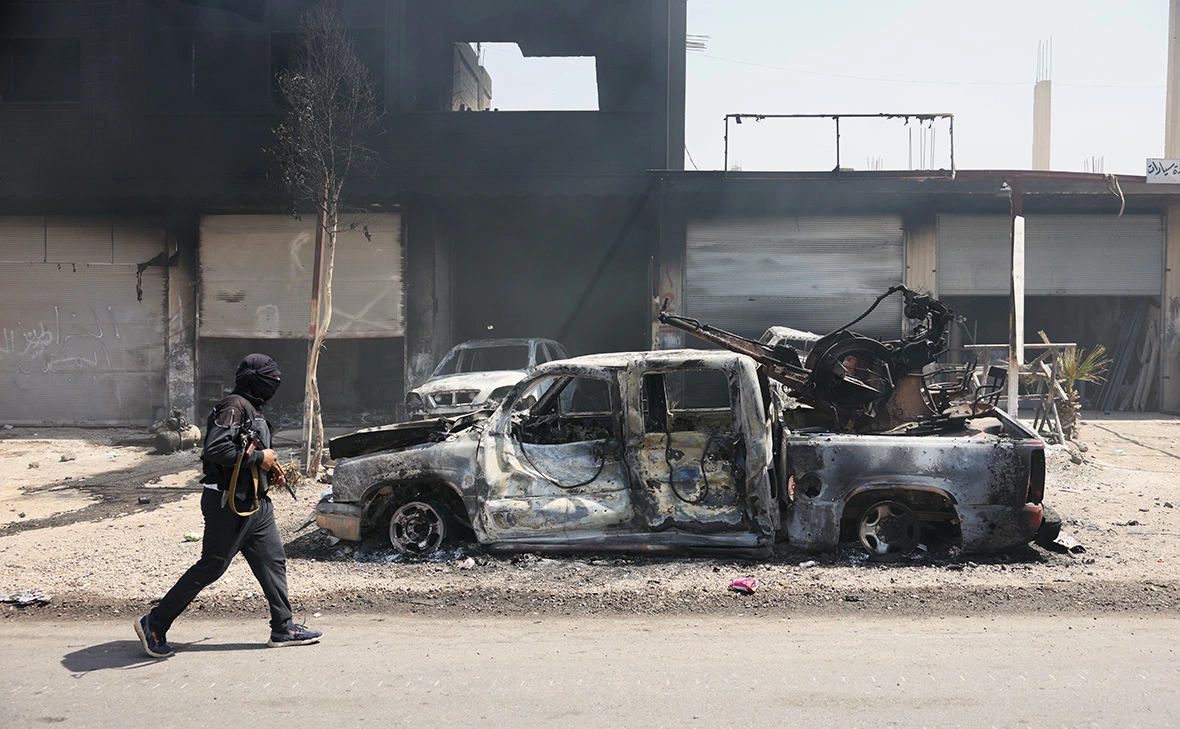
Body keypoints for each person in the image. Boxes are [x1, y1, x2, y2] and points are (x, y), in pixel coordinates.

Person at [135, 353, 321, 658]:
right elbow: (217, 448)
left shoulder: (251, 409)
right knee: (211, 567)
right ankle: (154, 623)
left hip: (256, 504)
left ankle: (283, 626)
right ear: (255, 381)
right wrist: (262, 458)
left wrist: (266, 472)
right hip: (229, 504)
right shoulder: (233, 406)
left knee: (272, 562)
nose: (275, 384)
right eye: (270, 380)